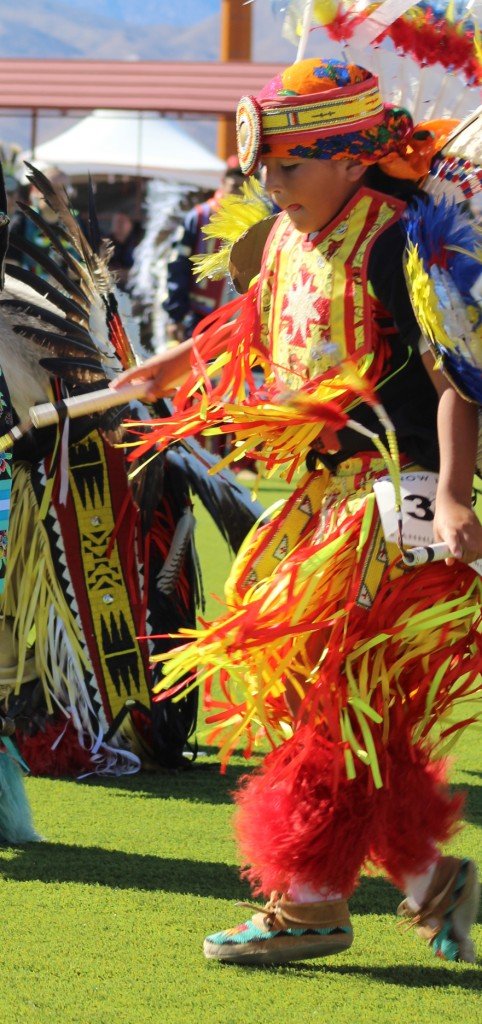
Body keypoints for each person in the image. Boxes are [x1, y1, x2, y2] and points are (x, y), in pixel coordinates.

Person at [112, 59, 482, 965]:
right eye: (265, 173)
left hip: (390, 506)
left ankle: (310, 904)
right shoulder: (288, 235)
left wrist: (453, 493)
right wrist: (173, 366)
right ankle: (433, 879)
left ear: (355, 160)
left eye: (291, 168)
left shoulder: (401, 245)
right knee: (327, 704)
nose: (274, 190)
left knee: (330, 699)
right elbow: (254, 318)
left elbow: (456, 381)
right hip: (317, 507)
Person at [162, 157, 245, 344]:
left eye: (243, 188)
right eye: (234, 187)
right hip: (201, 317)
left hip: (240, 321)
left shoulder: (256, 220)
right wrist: (176, 315)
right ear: (223, 183)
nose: (238, 195)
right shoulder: (199, 217)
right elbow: (178, 265)